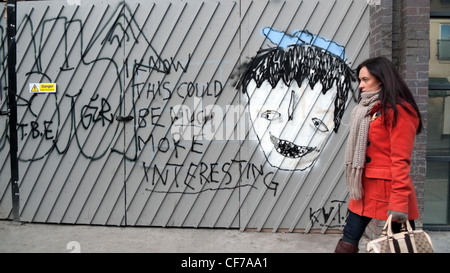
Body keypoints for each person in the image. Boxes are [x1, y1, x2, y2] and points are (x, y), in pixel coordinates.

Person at [334, 56, 423, 253]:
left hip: (390, 191)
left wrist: (399, 203)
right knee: (347, 242)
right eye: (359, 80)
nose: (360, 85)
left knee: (402, 246)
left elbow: (401, 160)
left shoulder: (400, 111)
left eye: (365, 80)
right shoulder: (368, 110)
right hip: (363, 189)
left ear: (381, 79)